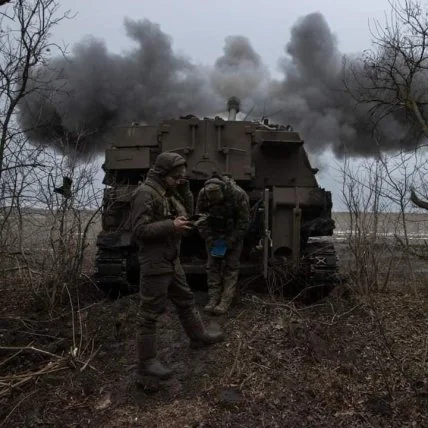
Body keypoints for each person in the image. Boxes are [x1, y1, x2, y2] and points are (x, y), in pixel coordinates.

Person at [130, 152, 224, 387]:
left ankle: (198, 337)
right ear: (163, 173)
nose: (179, 181)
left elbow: (182, 211)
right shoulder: (145, 193)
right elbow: (139, 230)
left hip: (171, 259)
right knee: (149, 313)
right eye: (176, 177)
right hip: (155, 262)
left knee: (186, 300)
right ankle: (146, 363)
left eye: (182, 177)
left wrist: (184, 193)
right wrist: (171, 226)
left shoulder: (166, 191)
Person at [196, 175, 250, 315]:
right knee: (212, 266)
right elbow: (200, 218)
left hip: (233, 233)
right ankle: (213, 299)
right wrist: (209, 238)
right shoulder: (203, 194)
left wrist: (231, 240)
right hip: (213, 234)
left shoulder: (238, 195)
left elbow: (244, 222)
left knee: (231, 267)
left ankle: (225, 301)